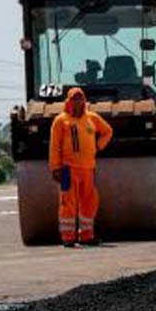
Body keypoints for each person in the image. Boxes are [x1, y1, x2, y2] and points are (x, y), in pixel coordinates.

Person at [49, 87, 113, 247]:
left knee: (89, 202)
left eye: (80, 98)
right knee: (67, 203)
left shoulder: (92, 118)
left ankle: (87, 236)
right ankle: (68, 237)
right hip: (66, 170)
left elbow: (107, 131)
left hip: (88, 169)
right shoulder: (60, 121)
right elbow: (55, 146)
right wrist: (55, 168)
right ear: (68, 101)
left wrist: (98, 145)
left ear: (84, 101)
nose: (78, 102)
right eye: (74, 99)